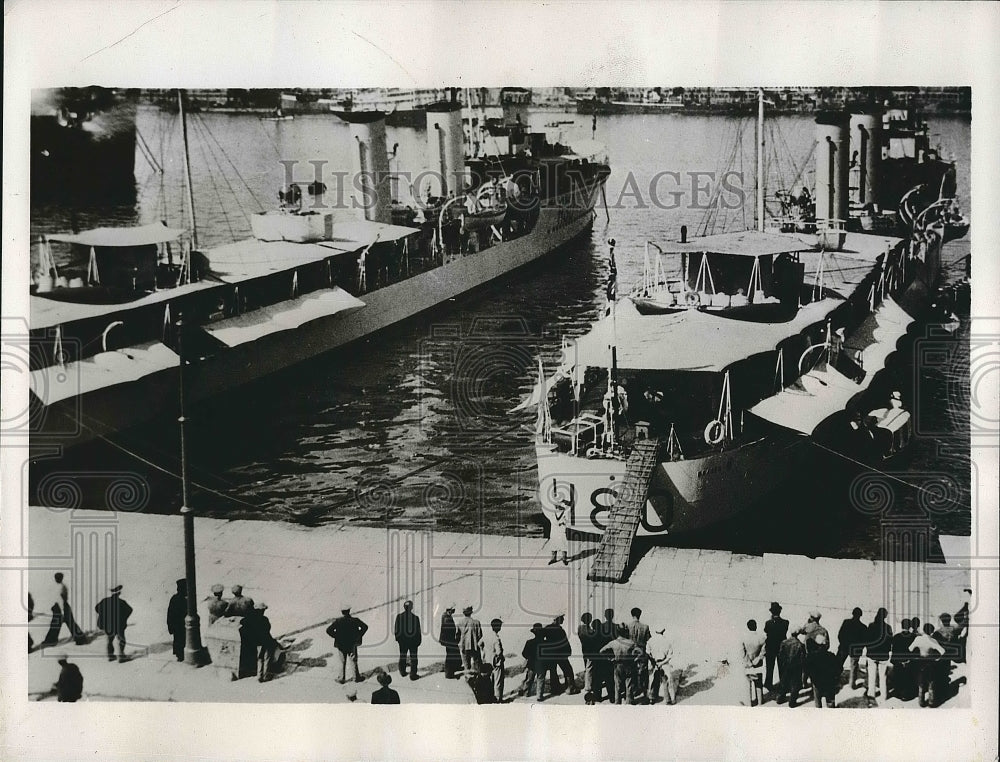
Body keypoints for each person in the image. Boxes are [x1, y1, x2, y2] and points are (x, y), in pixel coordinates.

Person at [325, 605, 369, 684]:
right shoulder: (355, 620)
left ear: (342, 612)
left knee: (342, 661)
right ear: (349, 611)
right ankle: (356, 677)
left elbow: (328, 630)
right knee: (353, 661)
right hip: (352, 644)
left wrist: (336, 636)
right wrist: (359, 635)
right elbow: (365, 627)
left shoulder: (338, 621)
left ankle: (341, 678)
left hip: (341, 645)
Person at [43, 573, 86, 646]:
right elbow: (55, 598)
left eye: (58, 578)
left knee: (67, 623)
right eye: (56, 577)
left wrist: (62, 611)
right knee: (59, 624)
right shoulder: (58, 586)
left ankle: (80, 639)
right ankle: (51, 640)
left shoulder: (61, 587)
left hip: (62, 608)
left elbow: (62, 600)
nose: (57, 579)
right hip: (58, 607)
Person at [600, 624, 639, 704]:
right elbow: (640, 653)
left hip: (618, 665)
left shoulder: (613, 643)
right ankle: (629, 702)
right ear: (625, 632)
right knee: (628, 685)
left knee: (617, 686)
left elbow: (601, 651)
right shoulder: (631, 642)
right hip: (628, 665)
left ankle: (617, 703)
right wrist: (635, 659)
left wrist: (610, 659)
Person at [541, 614, 578, 696]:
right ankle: (570, 688)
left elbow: (541, 639)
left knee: (553, 671)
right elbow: (565, 642)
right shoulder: (560, 630)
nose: (563, 619)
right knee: (568, 670)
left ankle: (555, 689)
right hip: (561, 654)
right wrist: (568, 651)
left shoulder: (547, 628)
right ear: (556, 619)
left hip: (551, 654)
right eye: (562, 618)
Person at [910, 623, 946, 707]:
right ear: (932, 632)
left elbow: (910, 649)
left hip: (920, 662)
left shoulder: (918, 639)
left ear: (923, 630)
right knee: (931, 683)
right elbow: (943, 651)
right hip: (930, 662)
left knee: (921, 683)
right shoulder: (933, 641)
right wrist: (937, 659)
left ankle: (921, 702)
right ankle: (931, 702)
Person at [94, 585, 132, 663]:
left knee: (110, 639)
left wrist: (104, 615)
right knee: (121, 639)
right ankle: (121, 656)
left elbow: (97, 608)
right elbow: (129, 610)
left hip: (108, 625)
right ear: (119, 593)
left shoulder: (105, 601)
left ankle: (110, 655)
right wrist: (123, 618)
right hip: (119, 625)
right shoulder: (122, 602)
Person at [864, 607, 893, 704]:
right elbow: (890, 642)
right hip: (883, 656)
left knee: (872, 676)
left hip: (872, 655)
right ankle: (884, 696)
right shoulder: (888, 627)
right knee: (883, 676)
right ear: (885, 616)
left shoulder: (871, 626)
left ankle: (871, 694)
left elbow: (867, 640)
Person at [836, 607, 868, 689]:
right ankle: (852, 684)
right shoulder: (863, 627)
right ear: (860, 615)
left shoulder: (846, 622)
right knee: (854, 667)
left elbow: (840, 635)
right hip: (855, 650)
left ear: (852, 614)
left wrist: (843, 643)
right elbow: (865, 641)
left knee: (838, 664)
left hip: (844, 647)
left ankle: (835, 680)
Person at [805, 634, 840, 708]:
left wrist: (813, 678)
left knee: (817, 700)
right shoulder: (831, 656)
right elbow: (839, 669)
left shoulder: (811, 657)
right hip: (830, 683)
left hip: (817, 683)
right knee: (830, 700)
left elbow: (807, 670)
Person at [646, 628, 678, 704]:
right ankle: (669, 699)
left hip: (655, 663)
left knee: (654, 680)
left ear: (655, 631)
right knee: (667, 681)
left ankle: (652, 698)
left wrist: (654, 662)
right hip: (664, 663)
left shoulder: (650, 641)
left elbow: (647, 653)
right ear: (663, 631)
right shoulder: (667, 641)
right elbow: (670, 656)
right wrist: (662, 663)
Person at [763, 602, 788, 693]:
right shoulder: (785, 622)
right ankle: (783, 684)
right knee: (782, 667)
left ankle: (768, 684)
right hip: (781, 647)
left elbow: (766, 630)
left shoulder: (768, 623)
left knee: (770, 667)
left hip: (770, 648)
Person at [627, 608, 651, 701]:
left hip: (631, 652)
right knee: (643, 672)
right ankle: (644, 692)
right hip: (641, 651)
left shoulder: (628, 626)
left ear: (631, 614)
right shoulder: (645, 627)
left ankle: (633, 691)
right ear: (640, 615)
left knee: (632, 672)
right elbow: (648, 639)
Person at [776, 633, 806, 707]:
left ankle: (780, 698)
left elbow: (780, 654)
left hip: (785, 665)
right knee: (795, 684)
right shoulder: (800, 644)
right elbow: (803, 658)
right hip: (796, 667)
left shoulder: (784, 642)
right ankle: (792, 702)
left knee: (783, 682)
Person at [394, 600, 422, 680]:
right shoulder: (415, 618)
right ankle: (413, 675)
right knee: (413, 658)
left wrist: (398, 639)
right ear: (411, 607)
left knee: (403, 656)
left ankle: (402, 672)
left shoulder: (399, 616)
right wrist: (418, 641)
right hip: (413, 642)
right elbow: (418, 631)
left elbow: (396, 629)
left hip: (403, 642)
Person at [741, 619, 767, 707]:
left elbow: (742, 653)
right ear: (756, 626)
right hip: (758, 664)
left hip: (748, 664)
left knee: (748, 683)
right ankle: (760, 701)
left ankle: (749, 703)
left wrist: (749, 662)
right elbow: (763, 651)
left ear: (748, 627)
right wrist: (758, 659)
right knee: (758, 683)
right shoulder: (762, 637)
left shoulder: (744, 638)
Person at [890, 618, 917, 700]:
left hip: (898, 662)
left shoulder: (896, 637)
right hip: (909, 662)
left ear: (901, 626)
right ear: (910, 627)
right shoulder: (913, 637)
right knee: (909, 678)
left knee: (898, 677)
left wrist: (894, 661)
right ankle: (907, 694)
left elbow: (894, 650)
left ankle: (898, 693)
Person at [455, 605, 483, 678]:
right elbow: (480, 635)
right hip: (475, 645)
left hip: (464, 645)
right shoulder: (476, 622)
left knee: (466, 662)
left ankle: (467, 676)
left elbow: (457, 635)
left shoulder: (459, 622)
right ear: (471, 612)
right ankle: (477, 676)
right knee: (477, 661)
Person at [254, 602, 279, 682]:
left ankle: (259, 675)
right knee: (267, 659)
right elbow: (268, 630)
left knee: (259, 659)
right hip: (266, 642)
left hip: (258, 643)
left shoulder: (253, 620)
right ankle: (265, 676)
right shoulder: (265, 619)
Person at [577, 613, 601, 695]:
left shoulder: (580, 628)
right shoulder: (588, 630)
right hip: (591, 651)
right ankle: (588, 687)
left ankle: (588, 685)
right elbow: (592, 638)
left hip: (584, 650)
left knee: (587, 667)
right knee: (590, 669)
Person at [519, 622, 545, 697]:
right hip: (542, 664)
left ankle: (526, 693)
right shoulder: (545, 643)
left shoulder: (529, 642)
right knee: (540, 680)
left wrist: (529, 657)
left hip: (532, 664)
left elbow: (524, 653)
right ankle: (539, 696)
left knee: (529, 680)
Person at [484, 618, 506, 703]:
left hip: (488, 660)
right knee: (498, 681)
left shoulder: (487, 635)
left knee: (490, 680)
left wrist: (484, 652)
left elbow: (480, 643)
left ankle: (490, 696)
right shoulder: (496, 638)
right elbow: (499, 651)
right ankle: (498, 698)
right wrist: (499, 657)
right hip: (496, 662)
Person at [166, 578, 188, 662]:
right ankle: (181, 655)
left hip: (176, 625)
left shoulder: (174, 598)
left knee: (178, 639)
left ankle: (179, 655)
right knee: (181, 640)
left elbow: (169, 614)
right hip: (181, 625)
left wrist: (170, 626)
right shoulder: (184, 600)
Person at [438, 604, 461, 679]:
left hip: (448, 639)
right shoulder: (447, 618)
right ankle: (449, 673)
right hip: (449, 640)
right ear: (449, 610)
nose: (454, 611)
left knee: (453, 653)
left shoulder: (446, 616)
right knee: (450, 656)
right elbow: (449, 630)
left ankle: (455, 667)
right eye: (453, 610)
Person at [548, 501, 570, 565]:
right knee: (553, 543)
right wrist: (558, 523)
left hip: (561, 530)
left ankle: (564, 559)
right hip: (554, 529)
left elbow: (567, 520)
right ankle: (553, 558)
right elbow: (551, 519)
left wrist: (564, 522)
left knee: (563, 544)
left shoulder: (565, 512)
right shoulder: (552, 512)